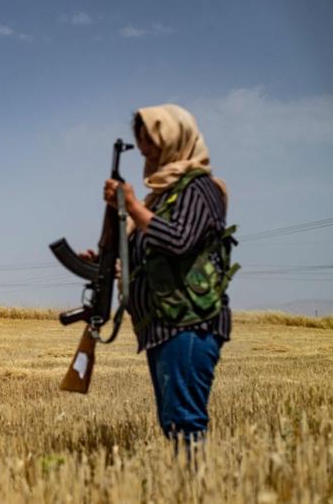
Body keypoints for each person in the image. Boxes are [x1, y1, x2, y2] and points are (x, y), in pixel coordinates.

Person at [93, 104, 234, 444]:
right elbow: (152, 255)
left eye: (152, 149)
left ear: (174, 142)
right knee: (173, 424)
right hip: (163, 326)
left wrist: (132, 206)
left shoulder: (201, 189)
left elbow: (179, 240)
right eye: (144, 150)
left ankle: (194, 492)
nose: (147, 158)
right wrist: (112, 261)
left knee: (184, 424)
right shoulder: (161, 197)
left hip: (188, 324)